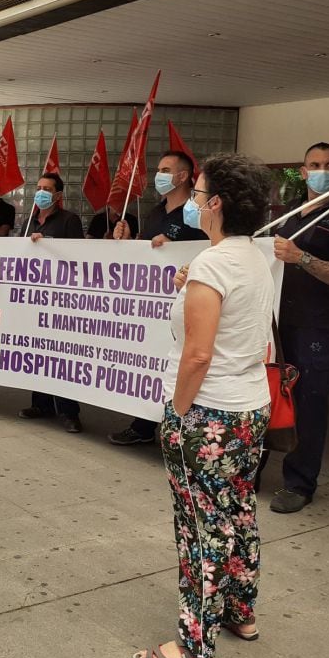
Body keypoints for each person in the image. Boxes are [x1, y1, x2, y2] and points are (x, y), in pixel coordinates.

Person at [132, 153, 274, 658]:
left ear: (215, 204)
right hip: (249, 408)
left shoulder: (215, 264)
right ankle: (240, 611)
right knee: (238, 511)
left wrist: (177, 411)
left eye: (197, 193)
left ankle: (195, 644)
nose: (191, 201)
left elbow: (197, 354)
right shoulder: (253, 256)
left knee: (200, 527)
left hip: (208, 414)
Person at [268, 142, 329, 514]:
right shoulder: (291, 213)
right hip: (281, 323)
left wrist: (301, 257)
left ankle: (299, 483)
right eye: (314, 164)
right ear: (303, 171)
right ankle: (253, 469)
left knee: (308, 406)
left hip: (317, 328)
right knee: (269, 397)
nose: (322, 171)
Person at [109, 150, 208, 446]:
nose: (158, 175)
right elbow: (145, 255)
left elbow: (209, 247)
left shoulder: (196, 213)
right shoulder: (155, 212)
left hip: (187, 303)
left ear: (183, 176)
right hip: (151, 306)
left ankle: (180, 426)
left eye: (165, 170)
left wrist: (175, 245)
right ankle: (143, 424)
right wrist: (129, 242)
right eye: (159, 169)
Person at [17, 172, 85, 432]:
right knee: (38, 350)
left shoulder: (69, 220)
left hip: (61, 298)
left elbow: (79, 255)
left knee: (61, 354)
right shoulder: (29, 221)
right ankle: (41, 404)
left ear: (58, 195)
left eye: (47, 189)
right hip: (35, 296)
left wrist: (49, 245)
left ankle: (69, 411)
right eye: (39, 187)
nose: (41, 192)